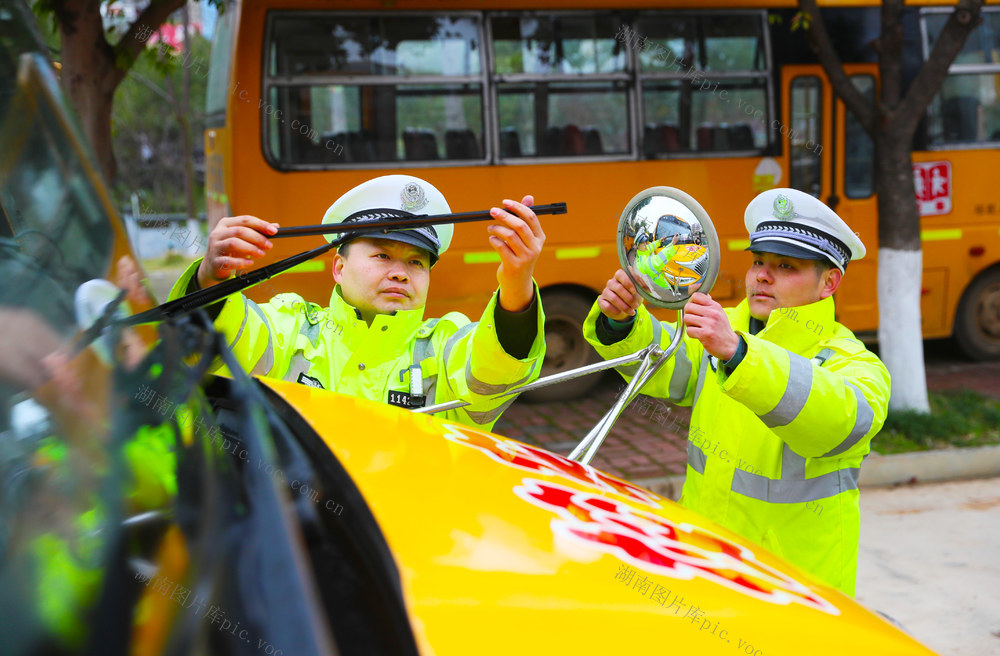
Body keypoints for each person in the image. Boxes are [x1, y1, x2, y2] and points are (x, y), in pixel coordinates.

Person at [584, 188, 890, 596]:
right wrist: (621, 322)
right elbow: (667, 367)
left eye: (786, 266)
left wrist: (739, 354)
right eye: (759, 260)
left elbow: (835, 422)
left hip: (794, 587)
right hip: (705, 563)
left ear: (829, 282)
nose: (762, 275)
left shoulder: (856, 364)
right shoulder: (726, 329)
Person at [167, 175, 546, 430]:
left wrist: (516, 280)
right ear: (338, 267)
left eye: (416, 262)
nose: (401, 273)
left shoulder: (444, 345)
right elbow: (211, 345)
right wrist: (213, 278)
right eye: (382, 255)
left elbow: (495, 371)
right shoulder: (291, 326)